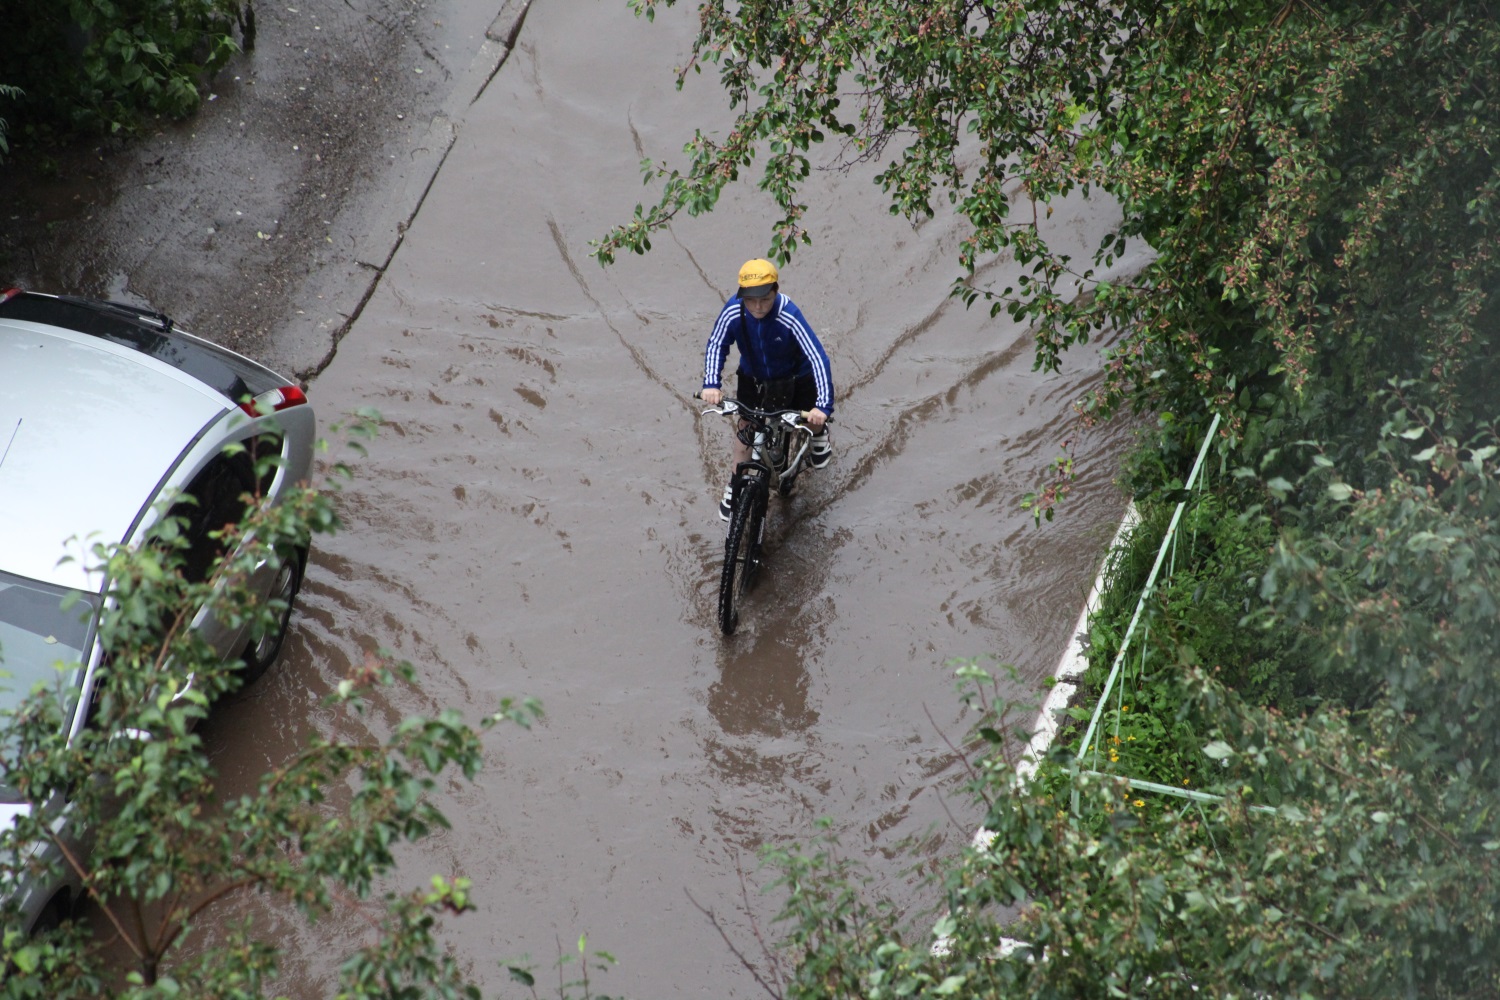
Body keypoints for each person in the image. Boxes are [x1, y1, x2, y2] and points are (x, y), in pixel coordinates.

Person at [700, 258, 835, 520]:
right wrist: (711, 385)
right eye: (751, 300)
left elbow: (818, 358)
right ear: (742, 296)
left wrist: (823, 407)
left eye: (764, 299)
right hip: (754, 378)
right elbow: (717, 344)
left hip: (797, 378)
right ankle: (735, 484)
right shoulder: (733, 311)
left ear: (775, 290)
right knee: (745, 431)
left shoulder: (789, 314)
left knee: (811, 420)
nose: (758, 306)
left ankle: (819, 435)